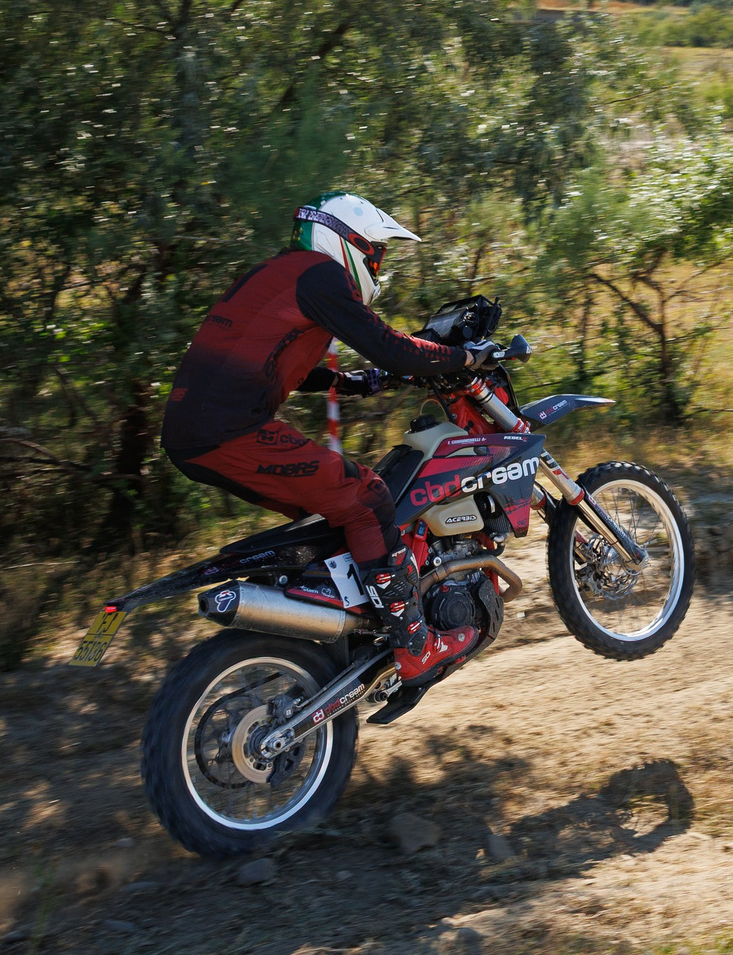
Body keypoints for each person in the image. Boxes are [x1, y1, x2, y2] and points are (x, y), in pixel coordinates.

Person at [160, 192, 491, 719]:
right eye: (376, 253)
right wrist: (465, 356)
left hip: (191, 434)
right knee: (367, 498)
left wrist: (349, 382)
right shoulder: (321, 275)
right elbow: (390, 345)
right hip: (230, 432)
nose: (378, 265)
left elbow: (270, 353)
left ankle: (345, 639)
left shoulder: (277, 274)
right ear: (347, 243)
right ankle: (415, 648)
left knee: (331, 523)